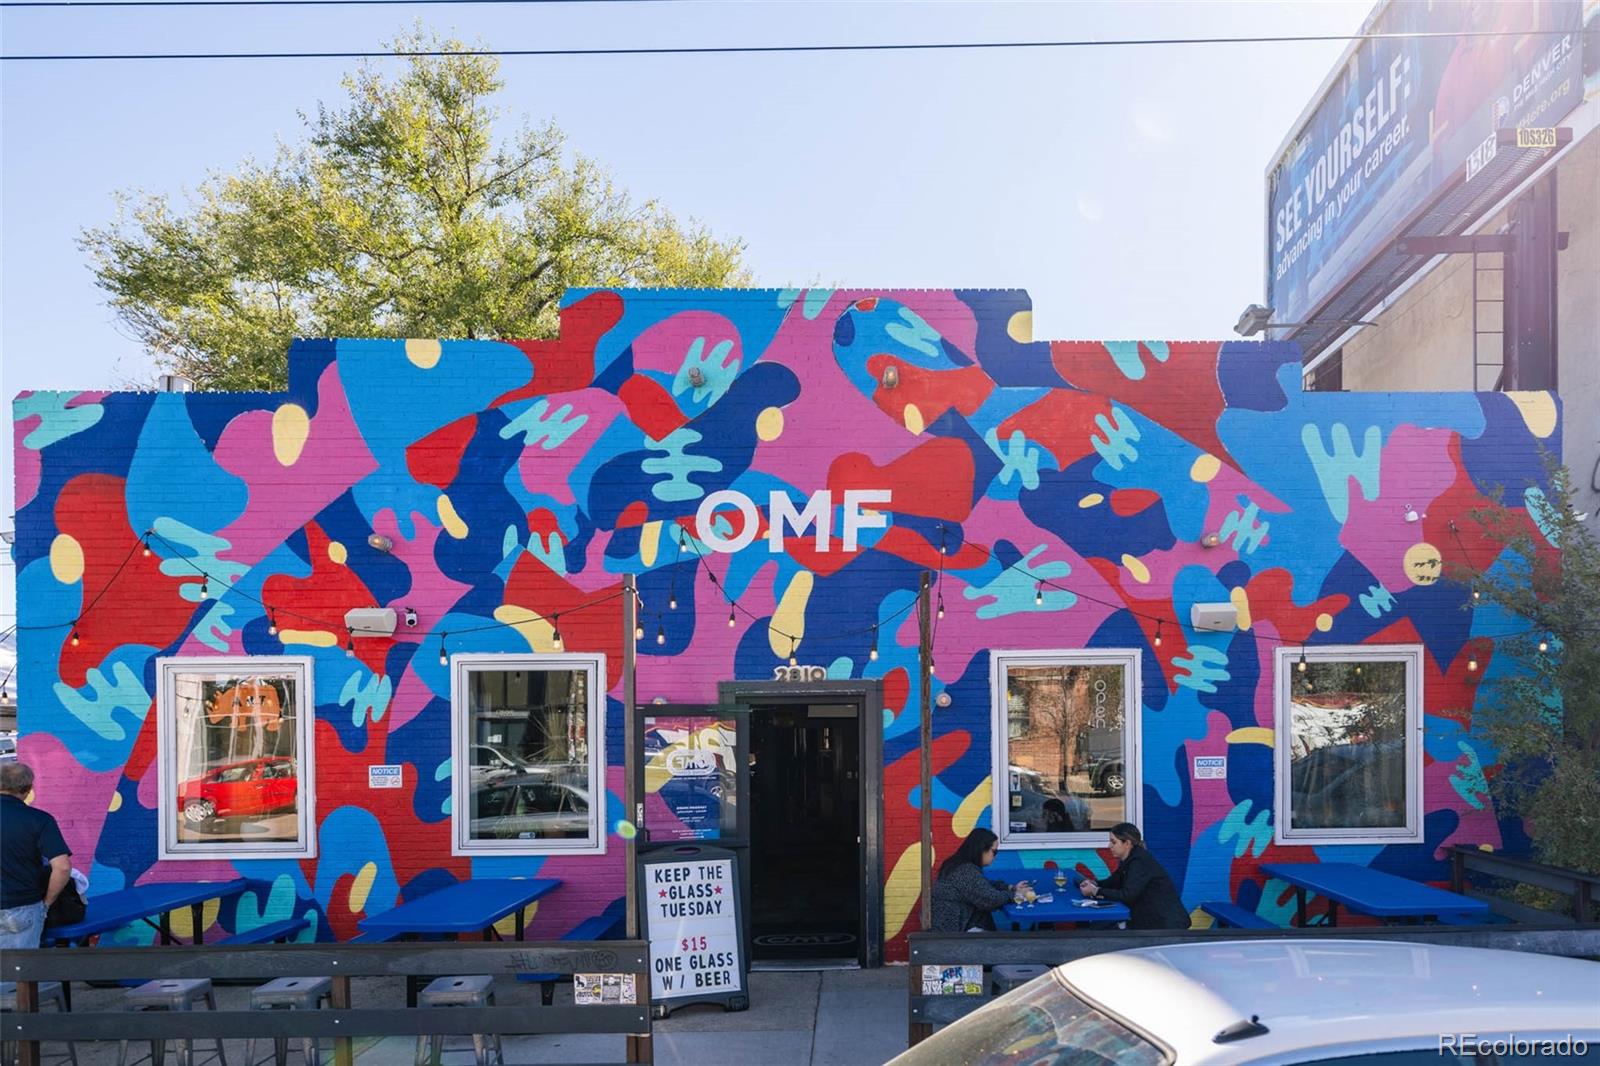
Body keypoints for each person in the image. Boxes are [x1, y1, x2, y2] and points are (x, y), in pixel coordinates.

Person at [0, 761, 72, 950]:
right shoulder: (40, 820)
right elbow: (63, 867)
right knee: (23, 972)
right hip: (22, 906)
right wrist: (46, 904)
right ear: (28, 788)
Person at [1080, 822, 1191, 930]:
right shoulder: (1130, 859)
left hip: (1166, 925)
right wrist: (1094, 883)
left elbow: (1127, 895)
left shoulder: (1139, 862)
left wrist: (1096, 891)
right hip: (1150, 920)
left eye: (1113, 842)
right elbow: (1113, 881)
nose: (1109, 846)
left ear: (1127, 843)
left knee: (1100, 931)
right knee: (1100, 928)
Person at [931, 828, 1029, 932]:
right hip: (955, 932)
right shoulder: (965, 871)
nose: (995, 856)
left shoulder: (959, 866)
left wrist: (1011, 887)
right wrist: (1017, 895)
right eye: (994, 852)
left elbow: (984, 885)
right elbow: (990, 900)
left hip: (956, 925)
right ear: (981, 849)